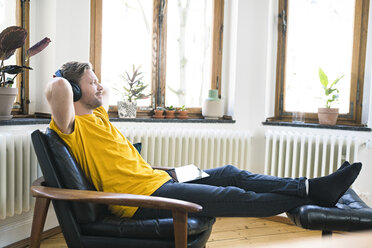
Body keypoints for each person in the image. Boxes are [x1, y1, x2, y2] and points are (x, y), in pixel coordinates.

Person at [45, 61, 362, 220]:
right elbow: (56, 90)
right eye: (92, 82)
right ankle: (315, 195)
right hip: (139, 197)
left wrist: (92, 84)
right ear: (72, 90)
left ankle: (308, 187)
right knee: (231, 193)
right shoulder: (69, 125)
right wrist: (65, 78)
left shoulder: (98, 115)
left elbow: (108, 97)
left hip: (158, 179)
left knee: (229, 172)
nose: (101, 87)